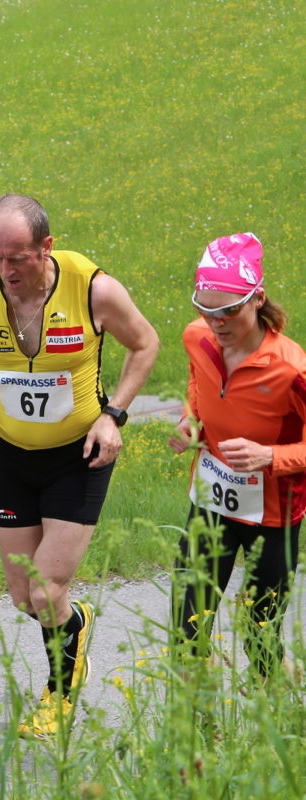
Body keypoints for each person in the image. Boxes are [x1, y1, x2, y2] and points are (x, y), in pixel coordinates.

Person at [0, 193, 159, 738]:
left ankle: (59, 695)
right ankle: (76, 622)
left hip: (78, 455)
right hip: (13, 455)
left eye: (17, 257)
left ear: (46, 247)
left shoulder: (94, 289)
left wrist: (114, 415)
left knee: (46, 591)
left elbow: (145, 344)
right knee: (26, 597)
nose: (6, 270)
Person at [168, 233, 306, 678]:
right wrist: (191, 419)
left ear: (257, 298)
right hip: (212, 499)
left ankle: (278, 705)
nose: (216, 322)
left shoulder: (291, 368)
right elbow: (198, 380)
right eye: (205, 310)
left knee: (258, 631)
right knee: (187, 625)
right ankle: (197, 714)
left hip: (274, 513)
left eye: (228, 310)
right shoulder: (198, 337)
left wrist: (270, 456)